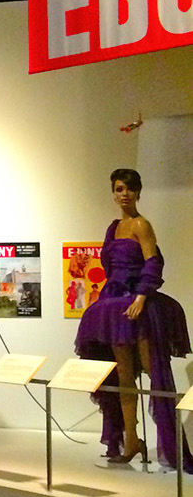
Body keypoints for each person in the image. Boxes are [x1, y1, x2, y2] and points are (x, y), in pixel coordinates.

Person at [74, 168, 191, 467]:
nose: (124, 194)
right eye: (119, 189)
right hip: (114, 306)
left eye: (129, 188)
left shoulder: (141, 224)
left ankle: (173, 445)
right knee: (123, 378)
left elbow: (153, 262)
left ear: (138, 192)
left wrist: (141, 296)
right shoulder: (113, 228)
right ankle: (131, 441)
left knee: (155, 373)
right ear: (113, 193)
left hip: (138, 304)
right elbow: (109, 267)